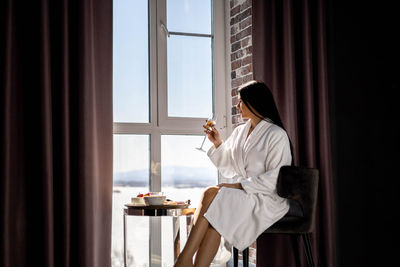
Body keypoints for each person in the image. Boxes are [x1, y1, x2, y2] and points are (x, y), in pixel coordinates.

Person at [174, 80, 293, 267]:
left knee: (210, 194)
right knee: (215, 217)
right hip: (244, 193)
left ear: (254, 102)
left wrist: (237, 185)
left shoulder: (276, 134)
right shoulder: (240, 132)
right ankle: (192, 263)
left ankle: (183, 260)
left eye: (240, 101)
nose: (237, 106)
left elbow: (276, 179)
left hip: (265, 197)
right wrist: (218, 144)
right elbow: (230, 167)